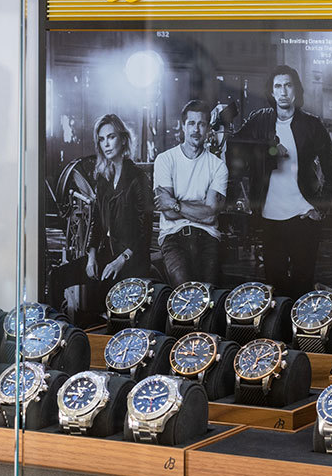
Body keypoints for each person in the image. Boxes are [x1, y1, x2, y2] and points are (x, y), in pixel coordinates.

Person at [219, 65, 332, 300]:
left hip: (304, 216)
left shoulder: (311, 125)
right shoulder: (259, 120)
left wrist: (319, 208)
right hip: (269, 218)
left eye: (288, 85)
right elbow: (236, 151)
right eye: (278, 86)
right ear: (272, 92)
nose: (283, 92)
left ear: (296, 90)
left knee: (302, 288)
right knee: (275, 288)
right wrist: (271, 149)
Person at [64, 113, 153, 321]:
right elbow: (96, 222)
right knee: (59, 277)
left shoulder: (138, 178)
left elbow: (145, 232)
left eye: (111, 137)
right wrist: (91, 256)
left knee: (110, 312)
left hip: (132, 260)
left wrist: (122, 259)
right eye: (102, 139)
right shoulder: (103, 179)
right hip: (106, 256)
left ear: (123, 140)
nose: (106, 144)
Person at [153, 100, 228, 286]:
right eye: (191, 123)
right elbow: (168, 214)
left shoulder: (218, 166)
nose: (196, 129)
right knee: (184, 292)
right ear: (183, 126)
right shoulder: (165, 160)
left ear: (208, 128)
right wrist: (200, 207)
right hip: (173, 236)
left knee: (208, 292)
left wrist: (175, 203)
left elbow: (210, 216)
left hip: (208, 236)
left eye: (201, 124)